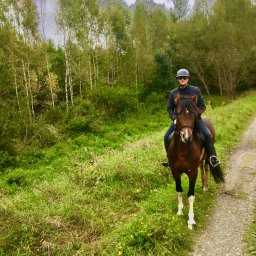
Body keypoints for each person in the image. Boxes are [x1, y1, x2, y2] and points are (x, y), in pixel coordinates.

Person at [161, 68, 221, 168]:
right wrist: (174, 118)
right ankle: (169, 159)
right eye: (180, 78)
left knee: (207, 135)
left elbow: (202, 106)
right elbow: (170, 108)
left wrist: (195, 116)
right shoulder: (173, 93)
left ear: (188, 79)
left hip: (195, 120)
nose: (182, 79)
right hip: (179, 121)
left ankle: (212, 157)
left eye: (184, 78)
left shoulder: (195, 90)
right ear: (178, 79)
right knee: (166, 137)